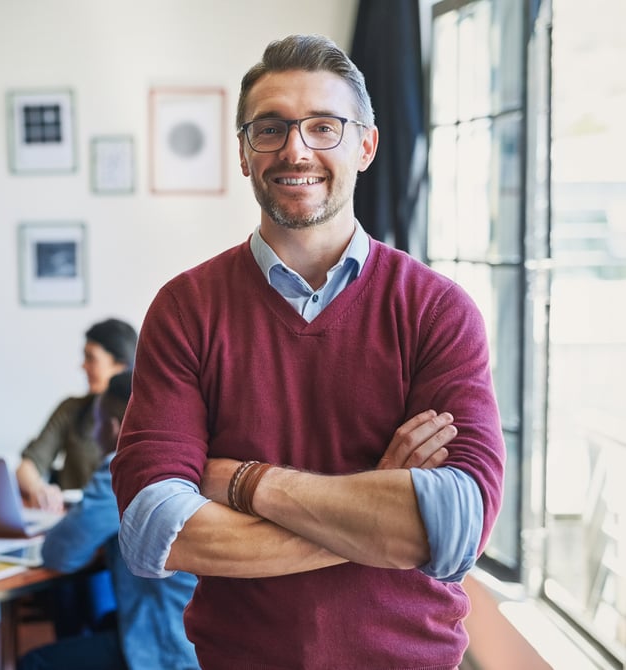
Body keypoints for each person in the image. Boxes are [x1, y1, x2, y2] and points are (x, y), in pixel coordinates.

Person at [110, 34, 506, 669]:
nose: (295, 148)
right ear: (243, 152)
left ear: (366, 145)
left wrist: (245, 481)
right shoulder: (185, 310)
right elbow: (153, 528)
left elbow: (456, 528)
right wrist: (379, 506)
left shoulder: (437, 309)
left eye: (324, 126)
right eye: (269, 128)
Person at [18, 371, 198, 670]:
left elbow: (59, 554)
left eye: (97, 423)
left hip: (165, 649)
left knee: (35, 663)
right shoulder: (187, 460)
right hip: (199, 637)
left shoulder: (125, 471)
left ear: (115, 427)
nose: (93, 433)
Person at [16, 318, 138, 513]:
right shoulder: (71, 409)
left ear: (120, 366)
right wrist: (39, 490)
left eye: (91, 358)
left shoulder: (147, 418)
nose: (83, 366)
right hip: (72, 518)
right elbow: (28, 465)